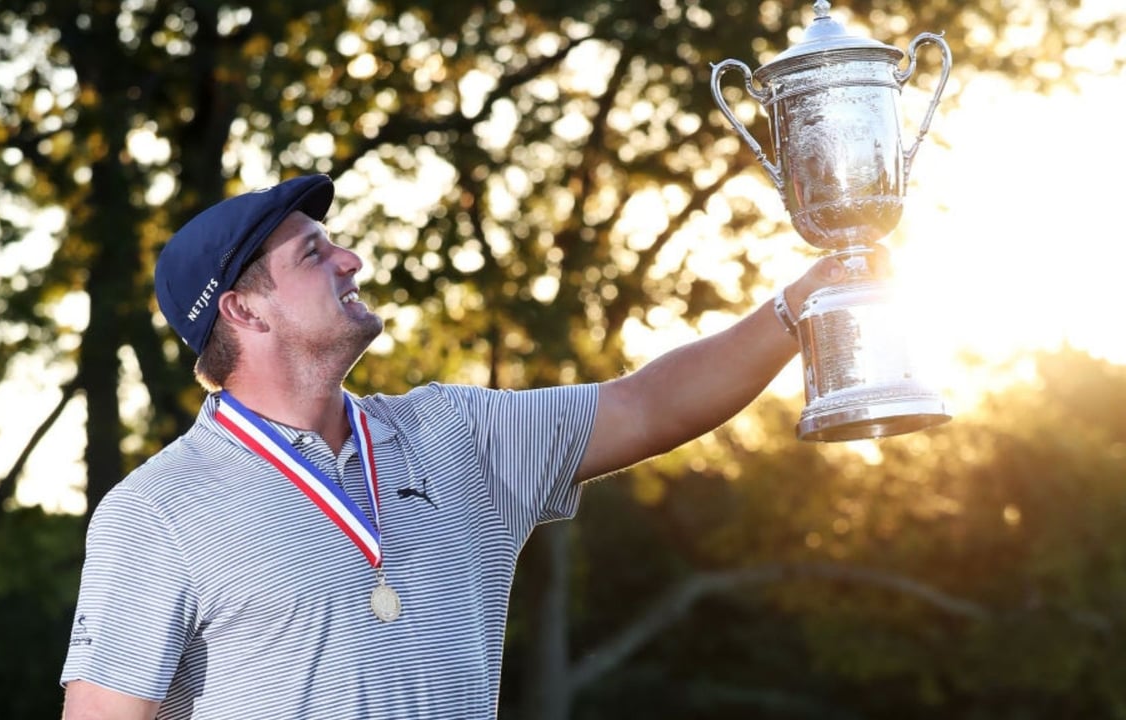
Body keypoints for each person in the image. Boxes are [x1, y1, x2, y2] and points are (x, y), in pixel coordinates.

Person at [60, 173, 847, 719]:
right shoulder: (156, 513)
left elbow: (647, 404)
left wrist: (802, 306)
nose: (351, 259)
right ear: (244, 311)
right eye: (312, 253)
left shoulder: (456, 436)